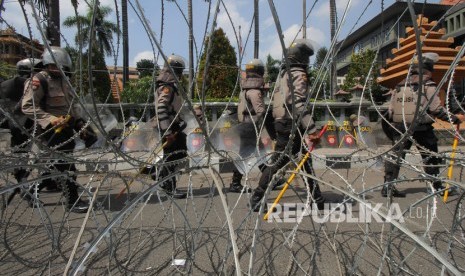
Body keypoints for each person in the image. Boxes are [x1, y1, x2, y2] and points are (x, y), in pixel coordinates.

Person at [249, 39, 325, 212]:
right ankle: (257, 197)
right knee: (278, 162)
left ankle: (316, 197)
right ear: (301, 57)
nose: (307, 60)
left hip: (283, 122)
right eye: (306, 56)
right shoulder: (298, 74)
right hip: (291, 123)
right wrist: (312, 129)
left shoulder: (284, 74)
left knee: (305, 160)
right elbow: (299, 104)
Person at [382, 52, 465, 197]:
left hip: (400, 126)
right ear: (428, 70)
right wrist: (456, 119)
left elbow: (390, 110)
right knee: (430, 157)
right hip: (421, 127)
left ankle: (387, 187)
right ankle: (437, 186)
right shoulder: (428, 85)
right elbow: (436, 109)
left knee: (397, 157)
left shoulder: (400, 85)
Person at [21, 46, 91, 213]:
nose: (59, 70)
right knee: (66, 167)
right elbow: (27, 106)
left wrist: (79, 123)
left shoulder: (64, 81)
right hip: (49, 132)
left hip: (66, 129)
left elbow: (70, 105)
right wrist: (51, 120)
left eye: (63, 68)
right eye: (56, 67)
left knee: (55, 165)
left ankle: (31, 189)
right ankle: (73, 201)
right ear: (48, 65)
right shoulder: (38, 81)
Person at [0, 58, 41, 204]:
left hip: (30, 126)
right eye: (37, 70)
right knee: (22, 156)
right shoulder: (14, 86)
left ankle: (45, 182)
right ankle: (23, 186)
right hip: (18, 127)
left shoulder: (36, 85)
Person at [152, 54, 188, 199]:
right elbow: (161, 107)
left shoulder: (168, 86)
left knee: (178, 153)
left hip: (173, 126)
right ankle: (169, 186)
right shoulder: (167, 87)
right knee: (170, 157)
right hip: (168, 128)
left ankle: (160, 175)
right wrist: (167, 131)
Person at [229, 59, 267, 193]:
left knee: (259, 153)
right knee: (245, 155)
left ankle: (269, 176)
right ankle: (235, 183)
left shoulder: (245, 90)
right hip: (251, 128)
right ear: (259, 72)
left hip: (246, 127)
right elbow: (261, 111)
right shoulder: (255, 92)